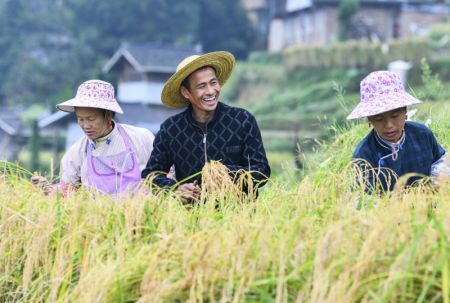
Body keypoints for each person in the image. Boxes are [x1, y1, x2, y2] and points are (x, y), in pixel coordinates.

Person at [141, 51, 270, 202]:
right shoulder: (171, 129)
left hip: (238, 216)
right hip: (192, 218)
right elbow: (151, 174)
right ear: (186, 92)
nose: (210, 91)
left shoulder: (242, 120)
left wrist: (225, 173)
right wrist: (175, 189)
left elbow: (262, 170)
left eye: (213, 82)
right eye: (201, 86)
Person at [32, 80, 154, 195]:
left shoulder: (141, 138)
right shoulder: (77, 152)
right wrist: (47, 188)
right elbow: (67, 191)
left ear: (109, 115)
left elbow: (161, 178)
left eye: (91, 119)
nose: (85, 126)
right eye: (80, 119)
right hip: (97, 216)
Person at [347, 70, 447, 192]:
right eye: (379, 119)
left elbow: (441, 160)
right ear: (369, 120)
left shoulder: (422, 134)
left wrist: (437, 180)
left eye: (395, 116)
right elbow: (363, 199)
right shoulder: (364, 155)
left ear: (405, 113)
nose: (389, 125)